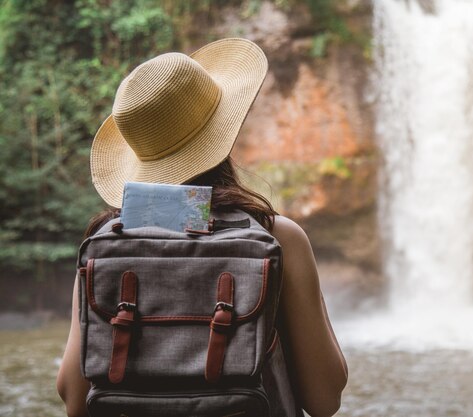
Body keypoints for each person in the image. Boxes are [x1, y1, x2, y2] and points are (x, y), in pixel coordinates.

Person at [56, 38, 348, 417]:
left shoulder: (107, 242)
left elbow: (74, 400)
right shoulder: (278, 238)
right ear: (223, 133)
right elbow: (325, 399)